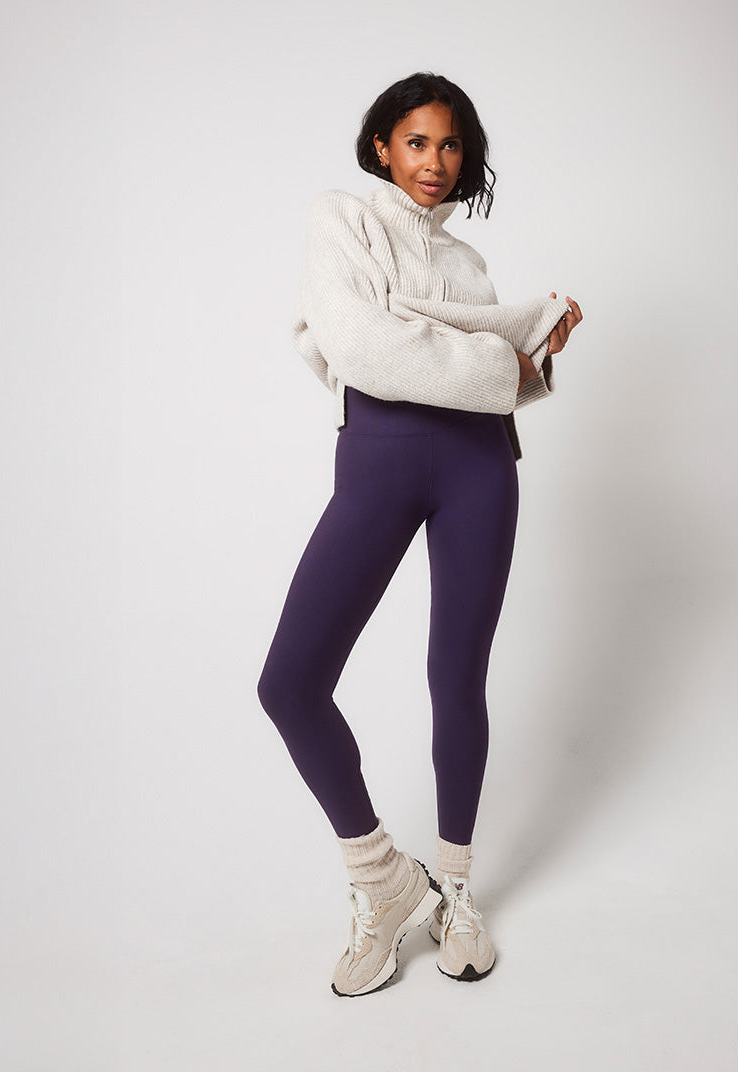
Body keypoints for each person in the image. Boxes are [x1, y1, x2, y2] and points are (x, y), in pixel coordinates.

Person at [257, 71, 582, 997]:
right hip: (380, 463)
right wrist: (496, 352)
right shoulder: (343, 220)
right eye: (416, 141)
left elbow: (472, 373)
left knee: (457, 679)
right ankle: (382, 879)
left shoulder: (469, 267)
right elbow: (362, 347)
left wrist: (527, 358)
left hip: (480, 467)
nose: (434, 161)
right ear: (382, 147)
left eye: (449, 144)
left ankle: (456, 890)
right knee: (291, 683)